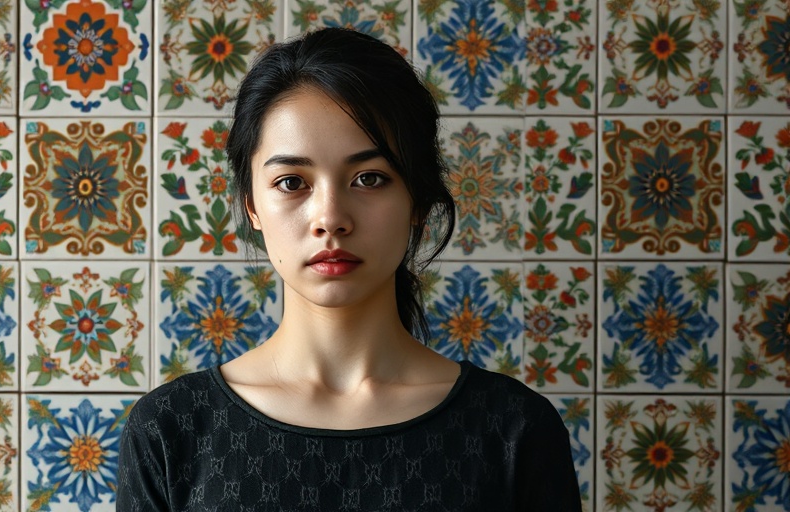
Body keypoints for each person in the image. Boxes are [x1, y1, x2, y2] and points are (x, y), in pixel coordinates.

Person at [118, 27, 581, 511]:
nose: (331, 218)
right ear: (251, 204)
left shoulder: (513, 429)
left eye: (369, 178)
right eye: (292, 181)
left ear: (418, 200)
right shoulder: (171, 429)